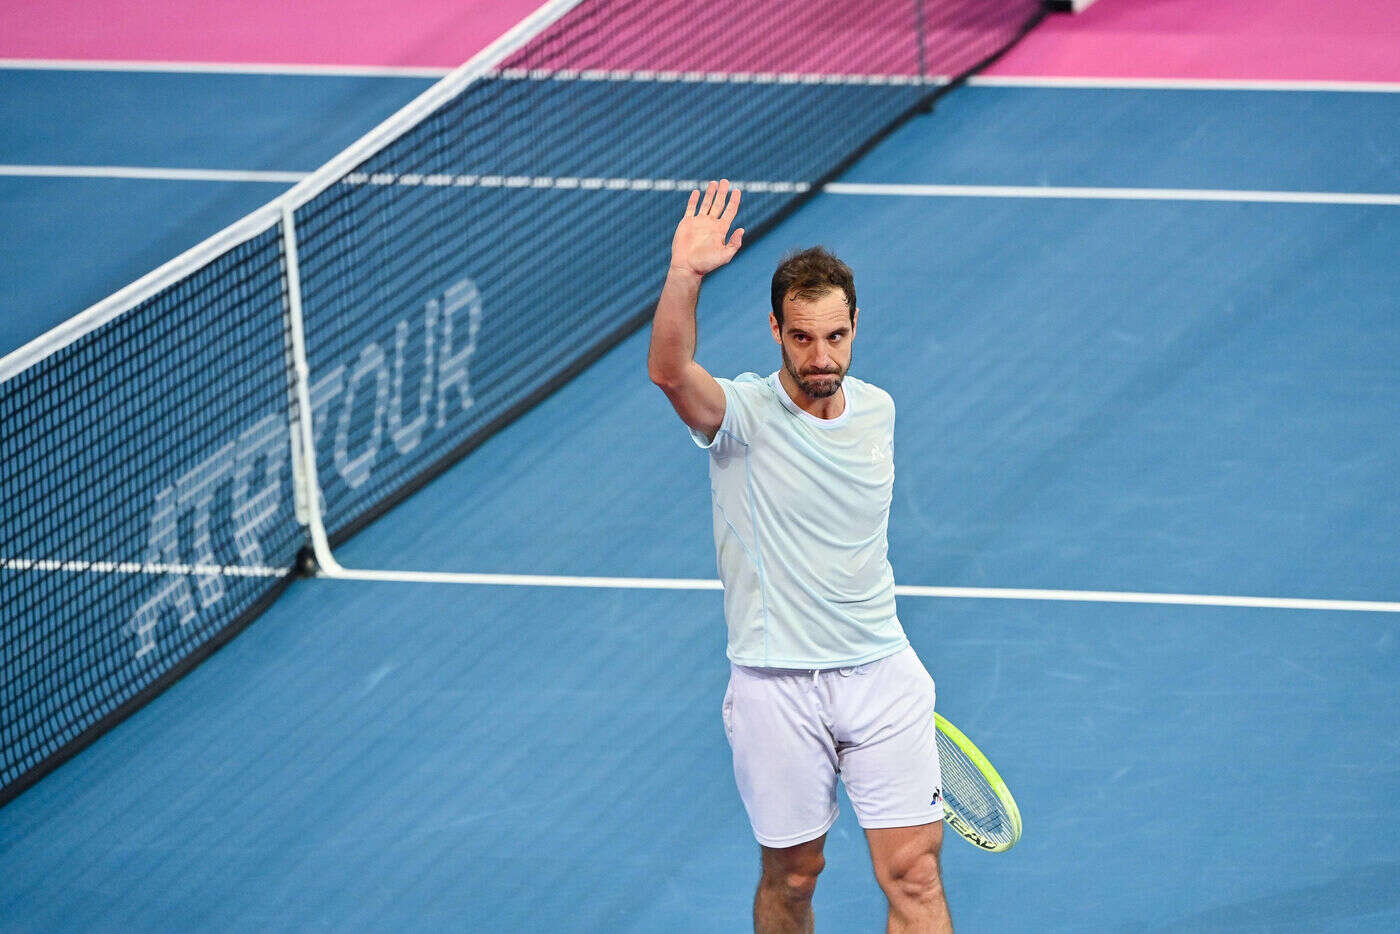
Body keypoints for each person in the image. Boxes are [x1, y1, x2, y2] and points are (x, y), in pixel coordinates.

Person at [647, 180, 952, 933]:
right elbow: (670, 372)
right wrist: (685, 276)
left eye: (837, 337)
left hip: (881, 673)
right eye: (803, 337)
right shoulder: (741, 415)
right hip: (775, 687)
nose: (822, 356)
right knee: (793, 875)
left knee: (914, 874)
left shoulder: (878, 409)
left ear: (855, 328)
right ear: (776, 330)